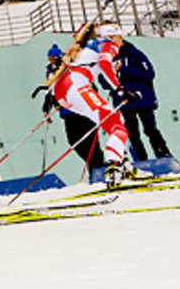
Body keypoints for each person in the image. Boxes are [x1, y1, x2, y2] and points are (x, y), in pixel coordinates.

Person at [52, 23, 146, 187]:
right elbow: (103, 62)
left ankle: (123, 164)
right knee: (117, 123)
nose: (121, 41)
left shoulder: (87, 46)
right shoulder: (108, 45)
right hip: (76, 87)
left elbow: (99, 70)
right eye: (119, 37)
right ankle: (115, 168)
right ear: (111, 36)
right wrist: (120, 89)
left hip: (62, 90)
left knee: (111, 123)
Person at [42, 45, 104, 171]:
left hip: (83, 111)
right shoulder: (51, 72)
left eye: (54, 58)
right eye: (50, 59)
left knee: (90, 141)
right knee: (74, 142)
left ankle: (98, 168)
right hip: (68, 113)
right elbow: (51, 91)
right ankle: (94, 166)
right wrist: (47, 109)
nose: (52, 62)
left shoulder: (73, 67)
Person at [112, 39, 172, 160]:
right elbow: (104, 81)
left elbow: (149, 74)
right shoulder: (108, 58)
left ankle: (164, 155)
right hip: (124, 101)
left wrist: (124, 69)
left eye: (112, 37)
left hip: (142, 99)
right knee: (131, 133)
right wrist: (112, 74)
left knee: (150, 128)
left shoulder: (135, 53)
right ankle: (140, 160)